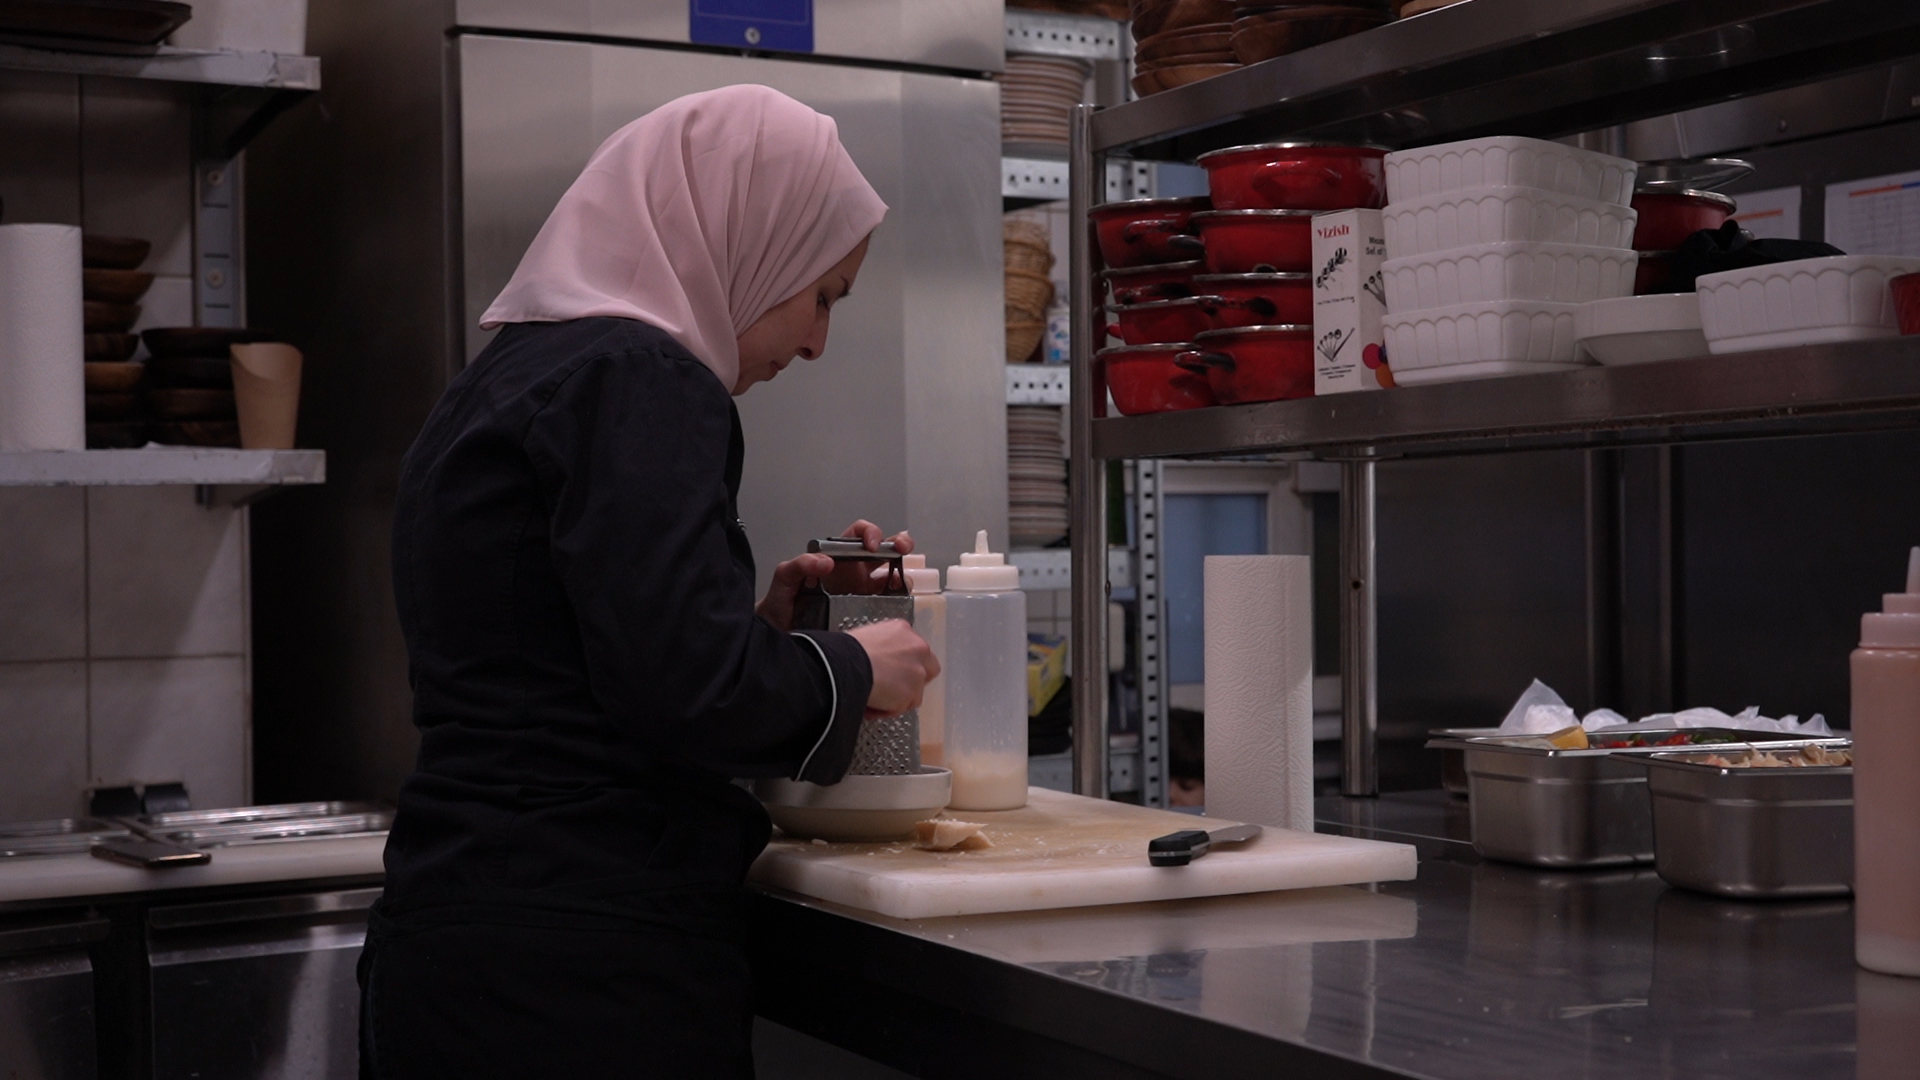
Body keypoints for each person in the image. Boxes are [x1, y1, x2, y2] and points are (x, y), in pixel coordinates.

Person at [359, 85, 940, 1079]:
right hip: (579, 975)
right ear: (751, 235)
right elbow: (691, 691)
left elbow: (578, 665)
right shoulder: (644, 376)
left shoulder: (506, 376)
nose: (817, 343)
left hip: (456, 941)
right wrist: (852, 666)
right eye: (823, 295)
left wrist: (763, 635)